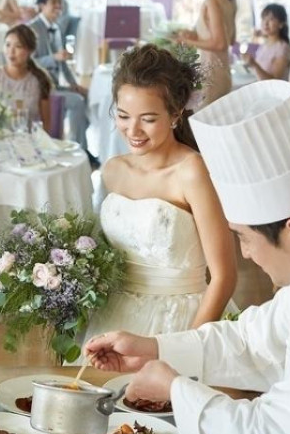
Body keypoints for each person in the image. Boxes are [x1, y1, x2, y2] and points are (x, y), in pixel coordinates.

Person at [85, 80, 290, 434]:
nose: (246, 255)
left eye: (244, 238)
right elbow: (248, 340)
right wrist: (154, 348)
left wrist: (176, 389)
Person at [80, 44, 236, 346]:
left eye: (148, 119)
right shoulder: (113, 171)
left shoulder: (192, 172)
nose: (133, 130)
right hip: (114, 318)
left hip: (181, 321)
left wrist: (185, 348)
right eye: (123, 116)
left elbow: (224, 276)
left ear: (175, 114)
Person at [28, 0, 90, 154]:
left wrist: (74, 84)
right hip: (41, 87)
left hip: (56, 84)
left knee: (87, 96)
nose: (58, 6)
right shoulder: (32, 29)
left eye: (60, 2)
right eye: (53, 2)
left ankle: (77, 143)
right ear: (41, 5)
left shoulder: (57, 28)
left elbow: (62, 63)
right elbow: (28, 63)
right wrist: (53, 57)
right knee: (76, 101)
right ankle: (79, 150)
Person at [177, 0, 239, 107]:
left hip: (211, 76)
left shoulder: (212, 1)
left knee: (202, 120)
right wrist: (195, 35)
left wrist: (187, 41)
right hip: (224, 73)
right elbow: (231, 39)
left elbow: (220, 44)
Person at [0, 24, 51, 132]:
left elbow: (47, 125)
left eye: (18, 46)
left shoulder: (40, 79)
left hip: (28, 140)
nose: (11, 51)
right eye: (7, 45)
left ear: (30, 50)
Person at [243, 3, 290, 81]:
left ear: (281, 24)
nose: (265, 23)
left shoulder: (282, 48)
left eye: (271, 19)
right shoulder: (265, 44)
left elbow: (275, 81)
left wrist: (255, 65)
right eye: (263, 19)